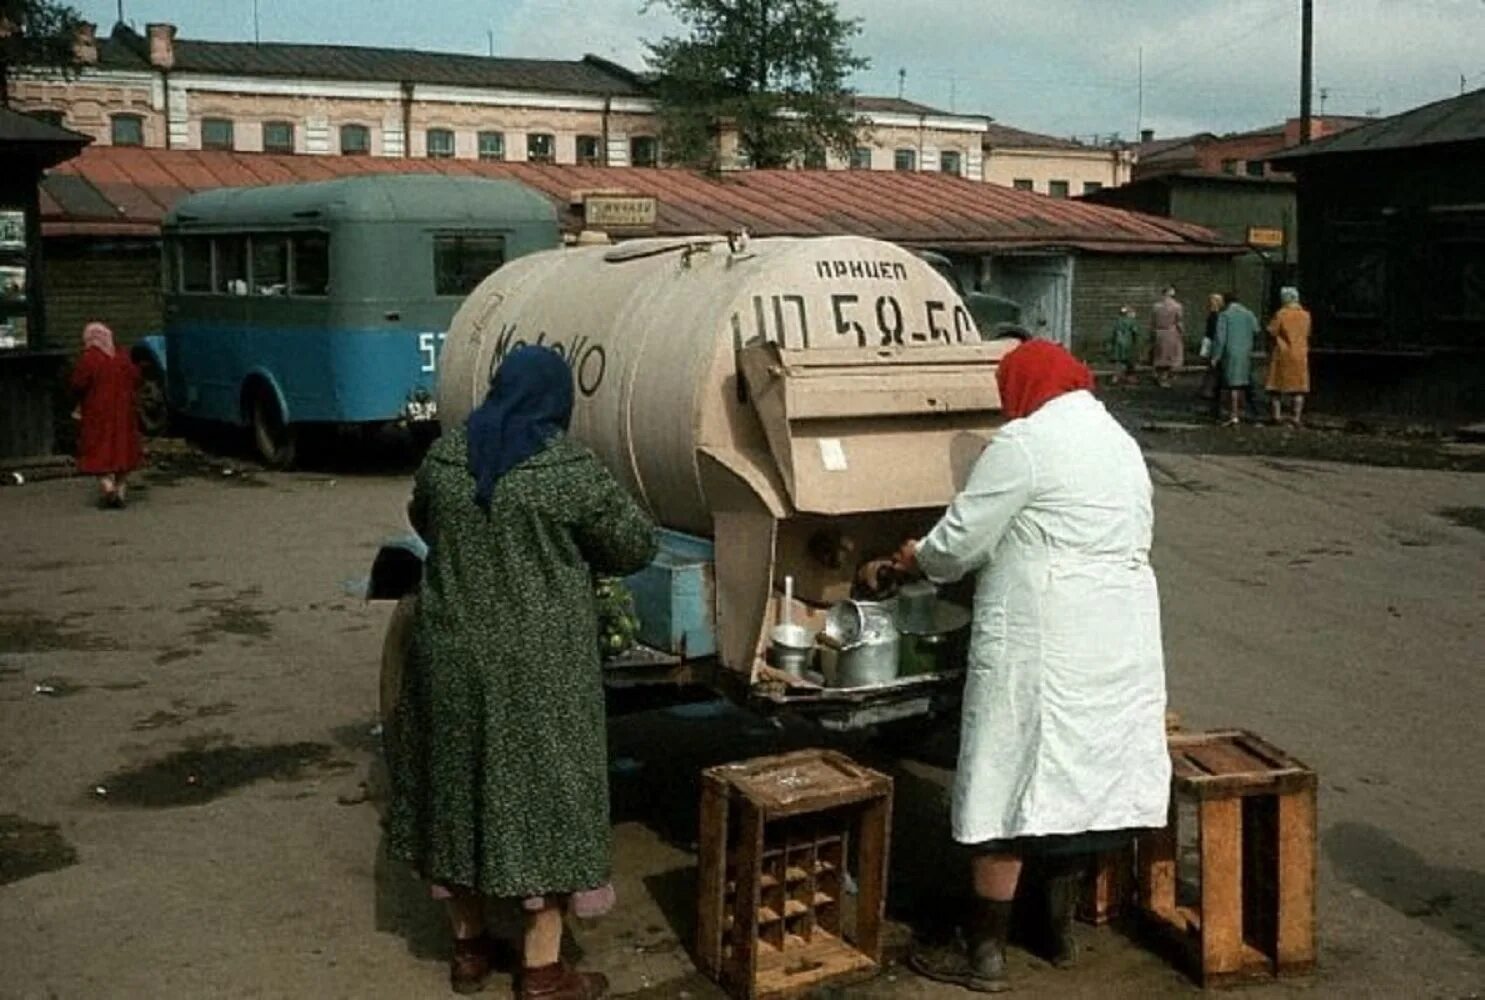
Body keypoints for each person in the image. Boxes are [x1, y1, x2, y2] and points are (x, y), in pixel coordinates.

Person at [385, 345, 657, 999]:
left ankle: (469, 950)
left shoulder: (447, 458)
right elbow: (633, 545)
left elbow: (421, 517)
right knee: (548, 799)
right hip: (540, 667)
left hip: (449, 657)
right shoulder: (565, 469)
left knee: (458, 791)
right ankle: (542, 972)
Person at [899, 340, 1171, 993]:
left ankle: (983, 953)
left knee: (1005, 776)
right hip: (1116, 634)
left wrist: (914, 556)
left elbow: (957, 545)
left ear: (1018, 388)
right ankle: (1056, 934)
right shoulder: (1119, 443)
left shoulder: (1021, 444)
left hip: (1043, 635)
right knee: (1079, 775)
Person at [69, 321, 142, 508]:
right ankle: (121, 490)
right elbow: (136, 377)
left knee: (97, 449)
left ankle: (108, 487)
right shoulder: (122, 356)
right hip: (124, 412)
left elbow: (78, 383)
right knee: (123, 450)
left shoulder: (89, 358)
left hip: (97, 412)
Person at [1211, 292, 1260, 426]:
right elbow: (1256, 330)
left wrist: (1216, 356)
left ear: (1226, 302)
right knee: (1244, 382)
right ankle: (1252, 412)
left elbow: (1220, 338)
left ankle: (1233, 414)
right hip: (1245, 352)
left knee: (1232, 385)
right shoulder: (1249, 314)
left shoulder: (1225, 315)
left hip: (1230, 352)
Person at [1266, 286, 1312, 426]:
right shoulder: (1306, 315)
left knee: (1276, 387)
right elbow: (1308, 333)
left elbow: (1272, 331)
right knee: (1299, 388)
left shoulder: (1281, 314)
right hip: (1300, 353)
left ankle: (1276, 416)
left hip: (1283, 353)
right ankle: (1296, 417)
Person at [1149, 285, 1185, 387]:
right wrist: (1182, 333)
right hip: (1171, 333)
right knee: (1171, 356)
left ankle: (1160, 377)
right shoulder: (1177, 306)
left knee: (1160, 356)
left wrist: (1152, 334)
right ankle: (1166, 378)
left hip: (1159, 333)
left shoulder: (1156, 306)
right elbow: (1179, 321)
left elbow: (1152, 322)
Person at [1108, 306, 1139, 384]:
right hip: (1128, 343)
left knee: (1118, 361)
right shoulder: (1132, 321)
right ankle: (1130, 377)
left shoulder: (1117, 321)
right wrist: (1136, 341)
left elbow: (1113, 334)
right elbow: (1135, 331)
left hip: (1118, 344)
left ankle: (1116, 377)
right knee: (1130, 361)